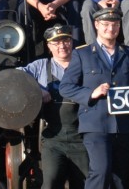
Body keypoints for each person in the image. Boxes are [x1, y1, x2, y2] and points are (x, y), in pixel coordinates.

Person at [60, 7, 129, 189]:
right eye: (106, 24)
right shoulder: (82, 54)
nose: (111, 28)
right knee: (100, 171)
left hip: (125, 124)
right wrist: (91, 94)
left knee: (121, 177)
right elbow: (66, 87)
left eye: (115, 24)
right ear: (96, 24)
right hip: (96, 123)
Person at [18, 24, 88, 189]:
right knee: (50, 183)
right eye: (56, 42)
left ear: (72, 42)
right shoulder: (40, 66)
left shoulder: (85, 64)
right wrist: (37, 89)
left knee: (83, 184)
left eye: (66, 41)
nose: (62, 46)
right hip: (53, 139)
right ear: (49, 46)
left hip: (82, 138)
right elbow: (15, 76)